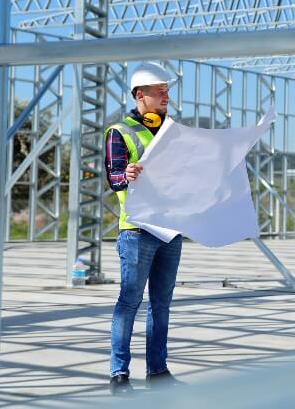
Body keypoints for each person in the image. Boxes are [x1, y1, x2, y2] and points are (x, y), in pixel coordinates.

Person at [105, 62, 184, 395]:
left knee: (161, 304)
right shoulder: (119, 132)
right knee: (129, 302)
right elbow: (114, 177)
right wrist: (129, 176)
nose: (166, 96)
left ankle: (158, 370)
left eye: (167, 91)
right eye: (160, 91)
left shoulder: (174, 131)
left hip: (170, 229)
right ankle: (119, 375)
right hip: (137, 230)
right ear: (141, 95)